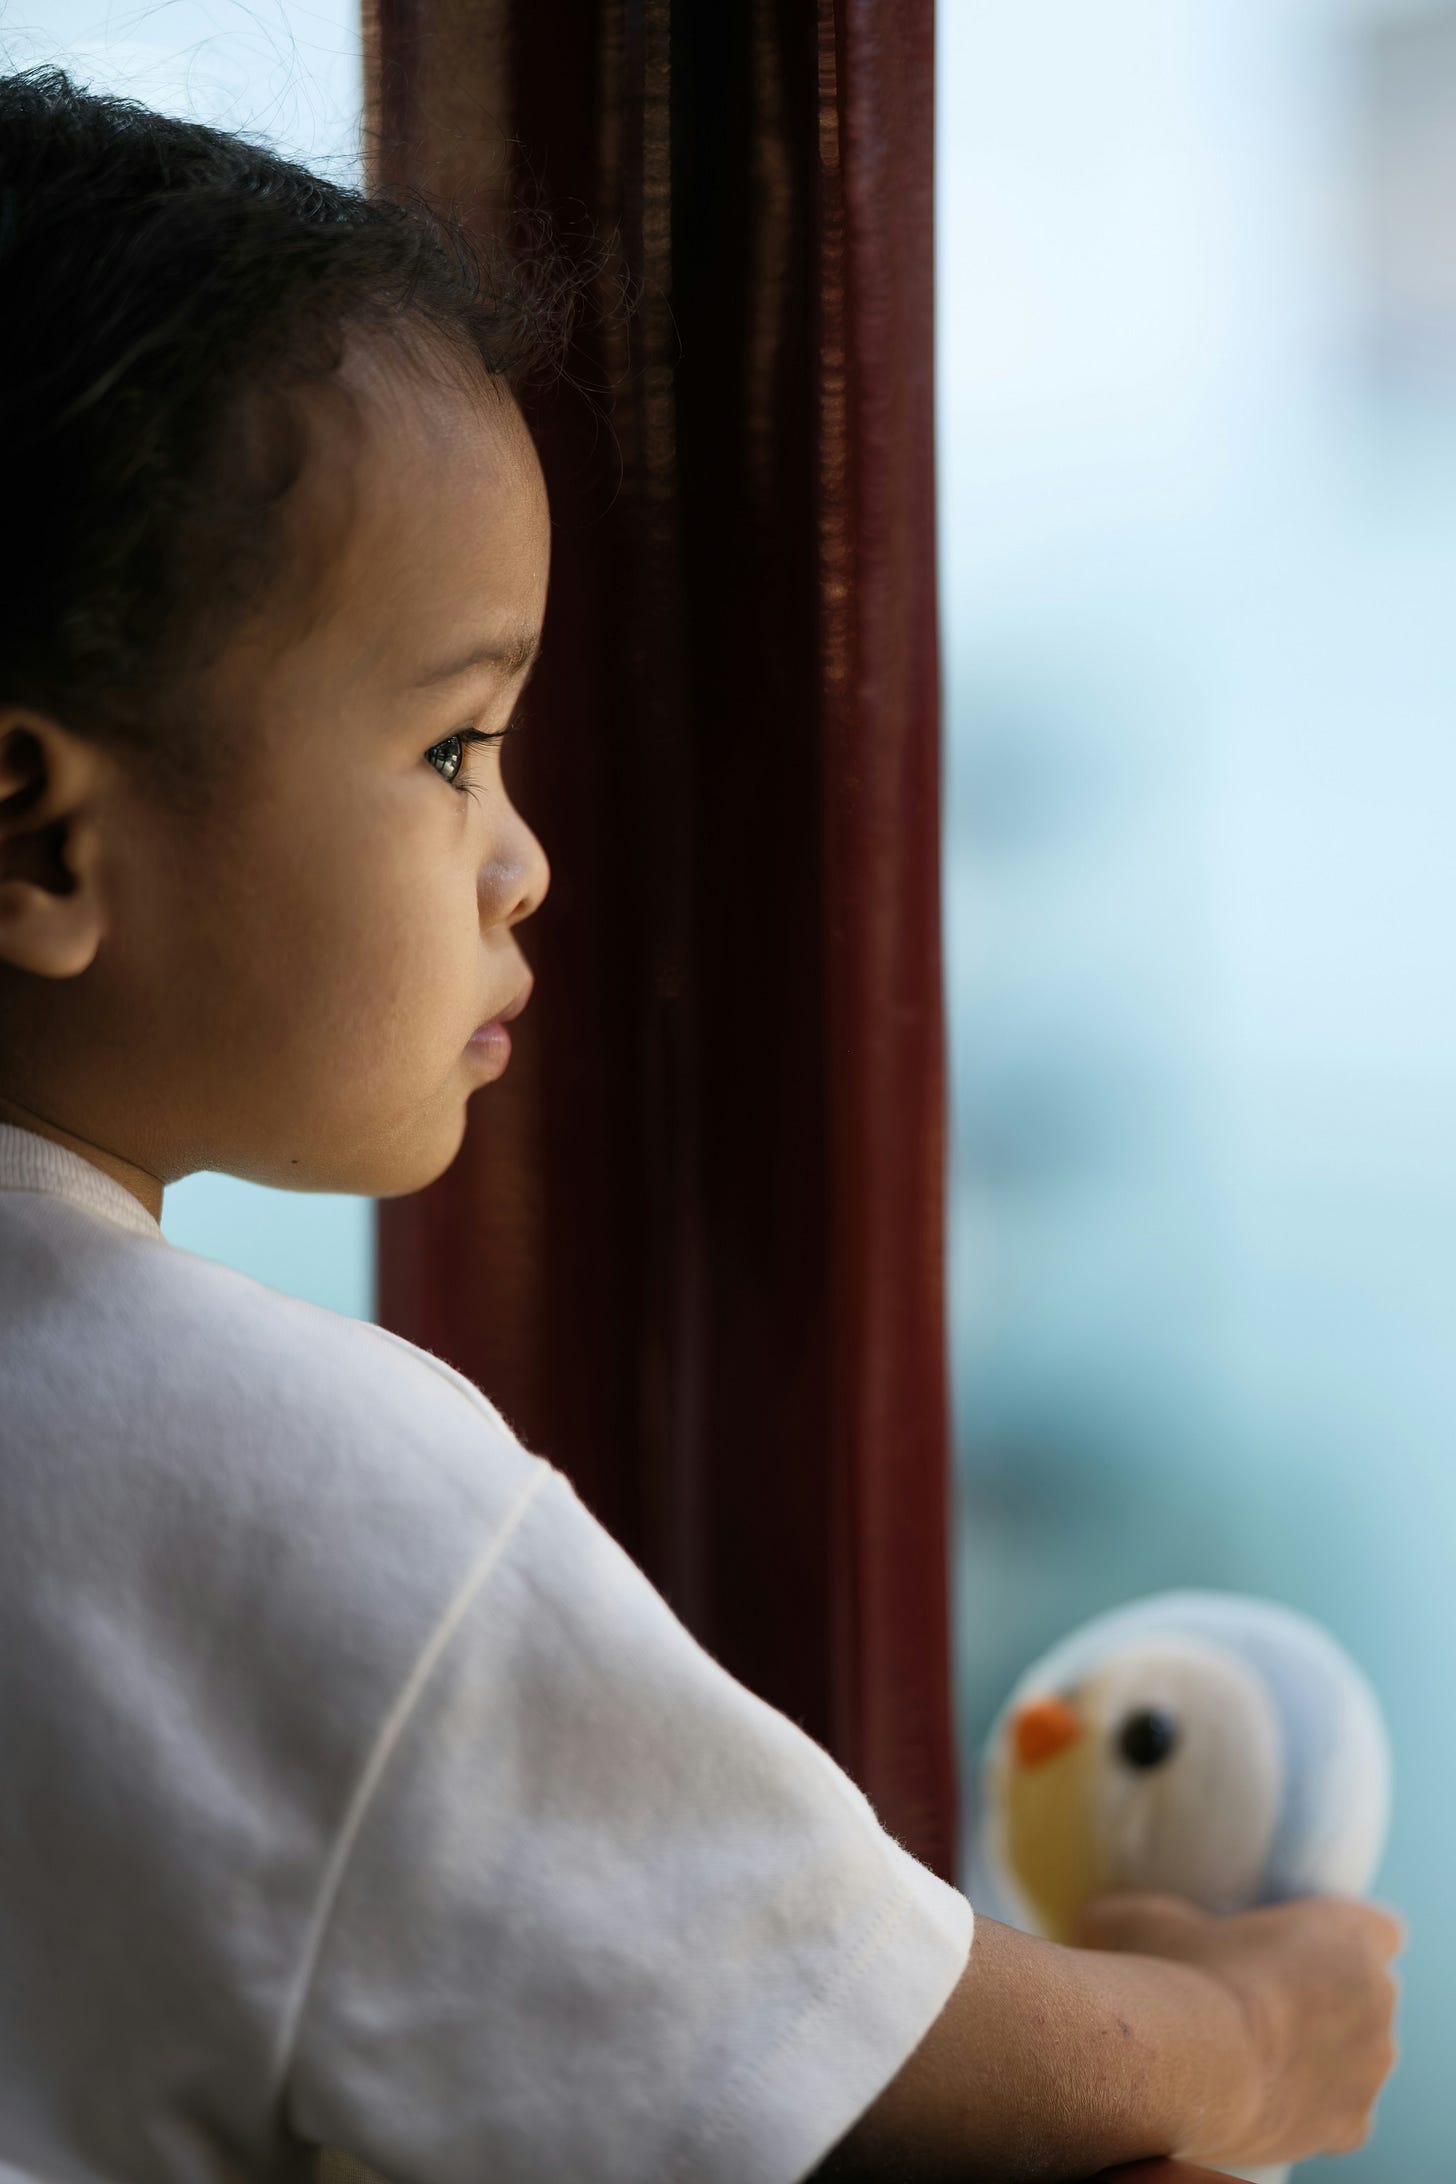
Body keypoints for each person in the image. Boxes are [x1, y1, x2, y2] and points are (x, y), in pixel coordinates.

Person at [0, 65, 1401, 2184]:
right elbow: (867, 2060)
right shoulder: (261, 1475)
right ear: (36, 837)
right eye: (454, 747)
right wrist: (1248, 2029)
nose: (524, 861)